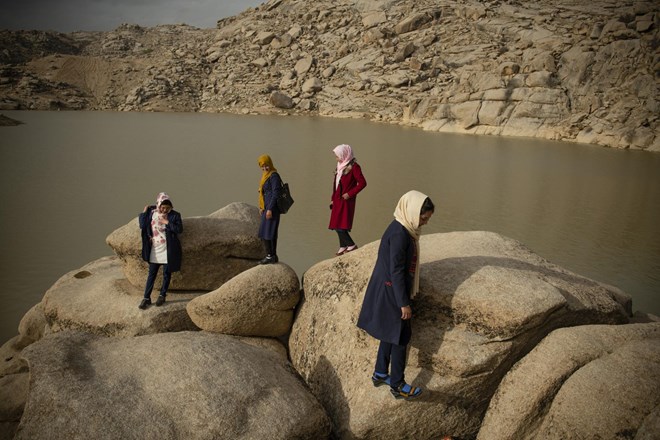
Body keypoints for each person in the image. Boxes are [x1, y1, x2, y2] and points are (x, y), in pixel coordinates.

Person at [357, 190, 435, 400]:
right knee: (400, 337)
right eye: (423, 218)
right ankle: (398, 384)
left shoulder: (401, 227)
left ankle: (381, 372)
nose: (424, 223)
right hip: (393, 291)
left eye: (426, 218)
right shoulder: (401, 234)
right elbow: (397, 270)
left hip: (387, 288)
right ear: (412, 211)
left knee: (389, 333)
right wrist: (404, 303)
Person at [138, 192, 183, 309]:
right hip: (154, 249)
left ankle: (162, 295)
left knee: (166, 274)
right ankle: (146, 298)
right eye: (163, 207)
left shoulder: (174, 215)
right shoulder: (151, 213)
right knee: (151, 275)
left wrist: (167, 222)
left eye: (168, 208)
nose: (165, 210)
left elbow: (179, 229)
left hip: (168, 250)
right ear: (158, 204)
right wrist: (144, 211)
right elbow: (142, 225)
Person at [328, 144, 367, 256]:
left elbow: (363, 183)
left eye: (337, 156)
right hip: (337, 200)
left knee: (341, 226)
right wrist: (332, 199)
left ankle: (351, 245)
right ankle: (343, 246)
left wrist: (350, 194)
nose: (336, 158)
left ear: (344, 155)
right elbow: (335, 184)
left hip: (346, 201)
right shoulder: (340, 166)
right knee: (336, 225)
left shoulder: (354, 167)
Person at [257, 154, 282, 264]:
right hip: (266, 207)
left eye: (266, 165)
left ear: (270, 164)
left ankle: (270, 255)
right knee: (265, 232)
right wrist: (262, 207)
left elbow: (276, 193)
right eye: (262, 166)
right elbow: (264, 192)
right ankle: (272, 255)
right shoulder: (265, 176)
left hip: (272, 208)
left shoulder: (273, 176)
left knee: (268, 232)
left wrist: (270, 209)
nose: (264, 168)